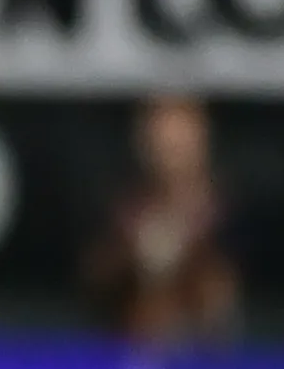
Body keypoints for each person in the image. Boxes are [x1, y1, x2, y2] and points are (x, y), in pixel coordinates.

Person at [82, 92, 238, 348]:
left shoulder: (227, 211)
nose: (169, 146)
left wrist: (187, 257)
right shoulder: (119, 211)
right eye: (159, 132)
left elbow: (222, 293)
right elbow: (95, 279)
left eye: (181, 132)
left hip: (208, 360)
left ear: (202, 134)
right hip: (124, 352)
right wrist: (134, 258)